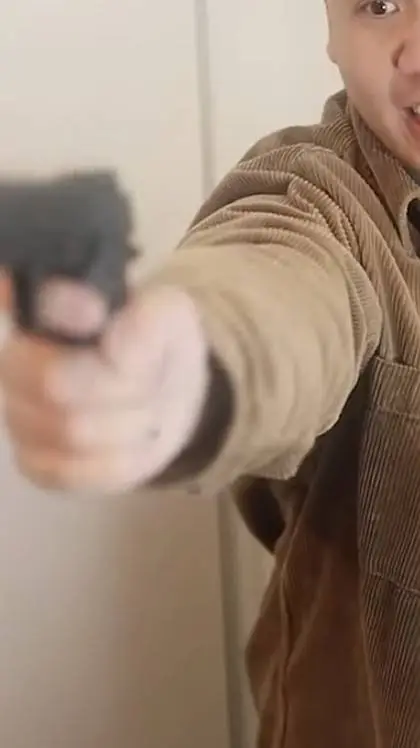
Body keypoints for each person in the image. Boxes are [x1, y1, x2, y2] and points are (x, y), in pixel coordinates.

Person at [1, 0, 419, 744]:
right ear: (329, 32)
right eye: (378, 5)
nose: (416, 54)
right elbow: (276, 285)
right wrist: (182, 372)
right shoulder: (324, 197)